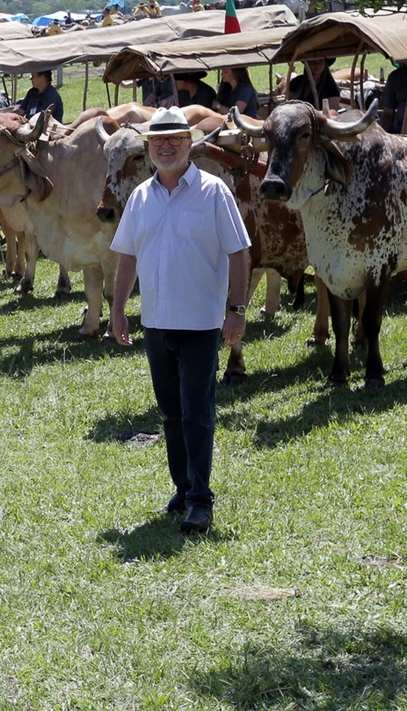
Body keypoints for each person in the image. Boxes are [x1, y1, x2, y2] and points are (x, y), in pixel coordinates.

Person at [108, 107, 251, 534]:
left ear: (190, 144)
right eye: (158, 140)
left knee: (197, 413)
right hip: (157, 323)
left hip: (202, 324)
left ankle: (201, 500)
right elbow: (128, 256)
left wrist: (237, 310)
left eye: (174, 139)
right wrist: (117, 309)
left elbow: (239, 253)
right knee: (171, 413)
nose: (165, 146)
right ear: (150, 148)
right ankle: (183, 486)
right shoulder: (141, 197)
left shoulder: (213, 192)